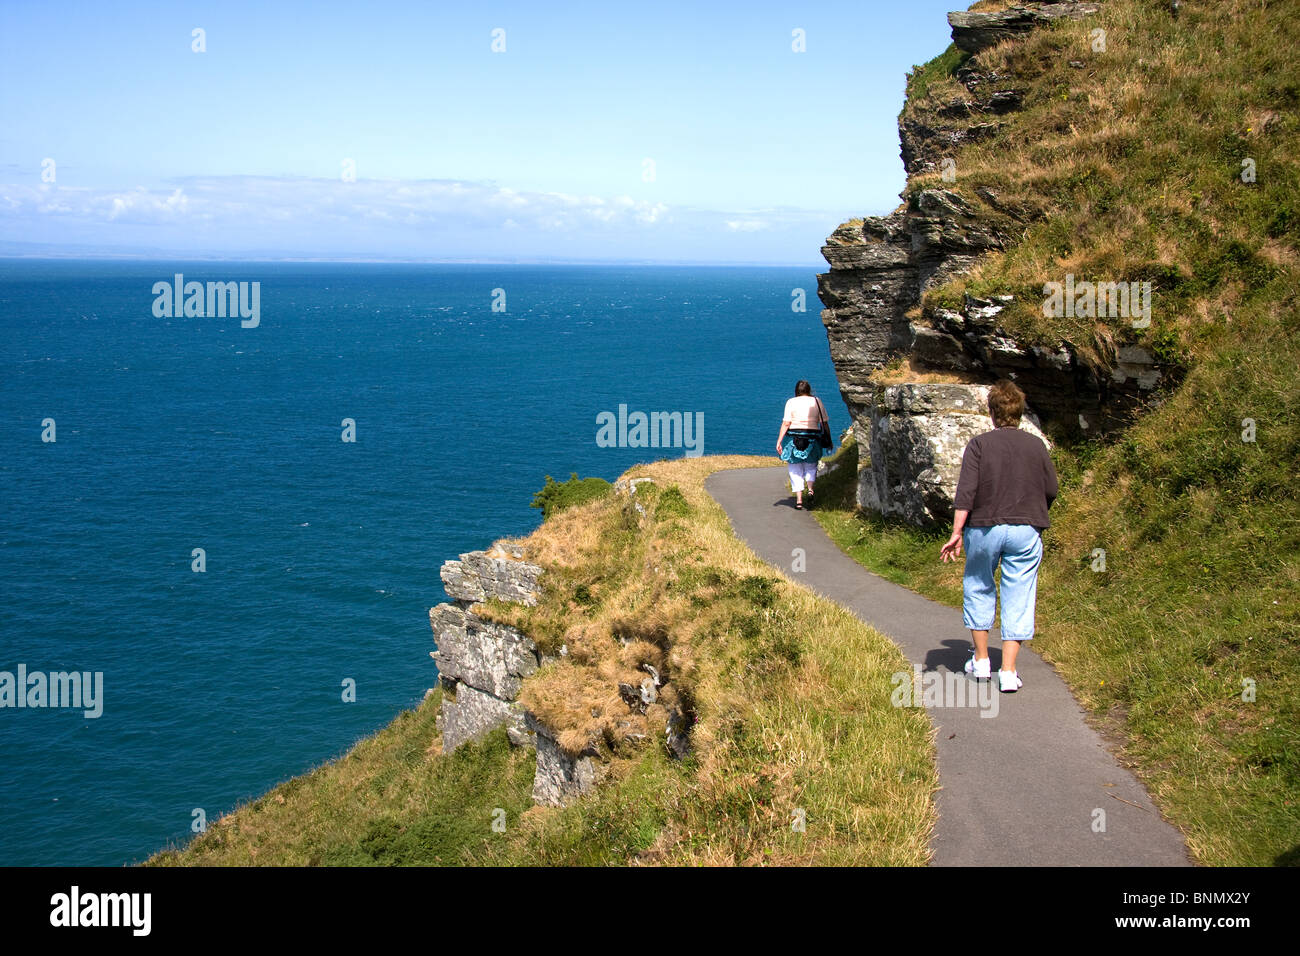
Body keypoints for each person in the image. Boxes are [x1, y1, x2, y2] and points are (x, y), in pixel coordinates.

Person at [939, 380, 1058, 693]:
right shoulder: (1037, 446)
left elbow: (966, 493)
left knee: (979, 585)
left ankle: (980, 661)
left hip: (984, 527)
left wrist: (956, 532)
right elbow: (1051, 489)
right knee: (1019, 593)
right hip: (1026, 528)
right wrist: (1035, 513)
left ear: (992, 413)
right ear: (1020, 411)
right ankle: (1008, 670)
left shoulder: (979, 445)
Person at [775, 380, 830, 509]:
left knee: (795, 467)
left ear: (796, 391)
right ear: (809, 390)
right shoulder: (816, 401)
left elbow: (786, 423)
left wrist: (779, 441)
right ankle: (810, 489)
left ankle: (799, 499)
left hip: (794, 438)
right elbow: (824, 423)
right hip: (813, 437)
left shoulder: (791, 402)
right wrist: (829, 439)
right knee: (811, 465)